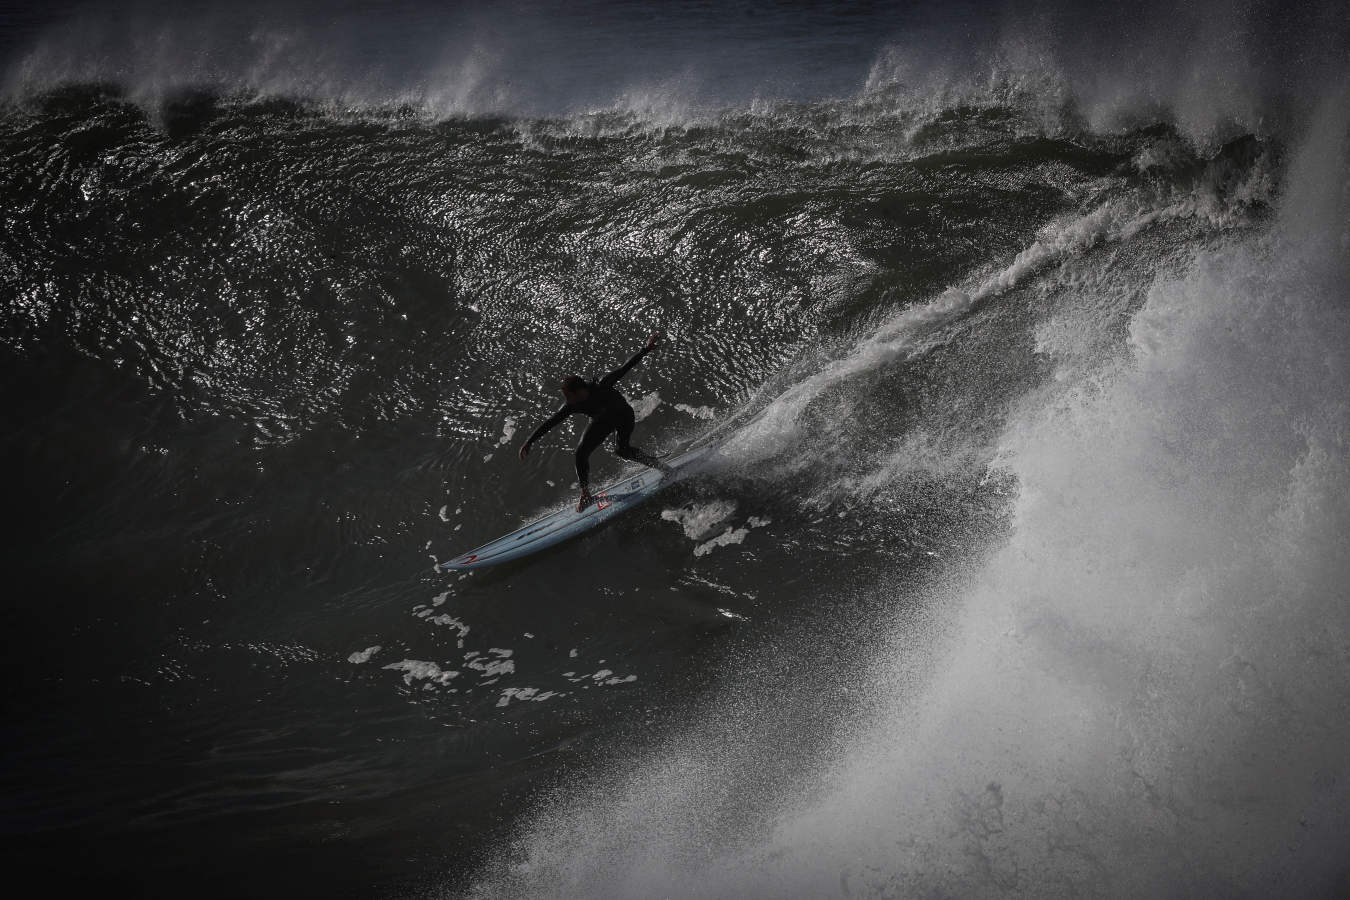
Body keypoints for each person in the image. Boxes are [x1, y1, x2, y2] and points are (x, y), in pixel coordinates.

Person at [519, 332, 671, 511]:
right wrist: (530, 441)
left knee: (622, 450)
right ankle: (585, 493)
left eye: (569, 396)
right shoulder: (572, 405)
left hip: (623, 416)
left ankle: (662, 467)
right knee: (580, 453)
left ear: (579, 391)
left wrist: (646, 348)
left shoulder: (603, 386)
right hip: (603, 421)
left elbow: (625, 367)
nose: (567, 400)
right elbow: (552, 421)